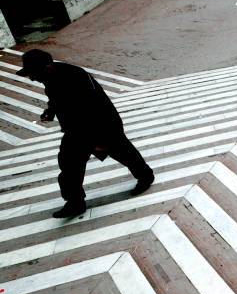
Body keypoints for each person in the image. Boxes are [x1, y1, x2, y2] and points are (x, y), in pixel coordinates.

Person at [16, 49, 155, 218]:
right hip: (76, 129)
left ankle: (145, 176)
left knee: (122, 151)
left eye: (33, 74)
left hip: (102, 124)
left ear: (47, 68)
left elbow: (92, 108)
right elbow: (56, 98)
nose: (32, 78)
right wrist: (51, 111)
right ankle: (75, 202)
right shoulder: (49, 76)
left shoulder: (76, 77)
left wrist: (97, 139)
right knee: (68, 163)